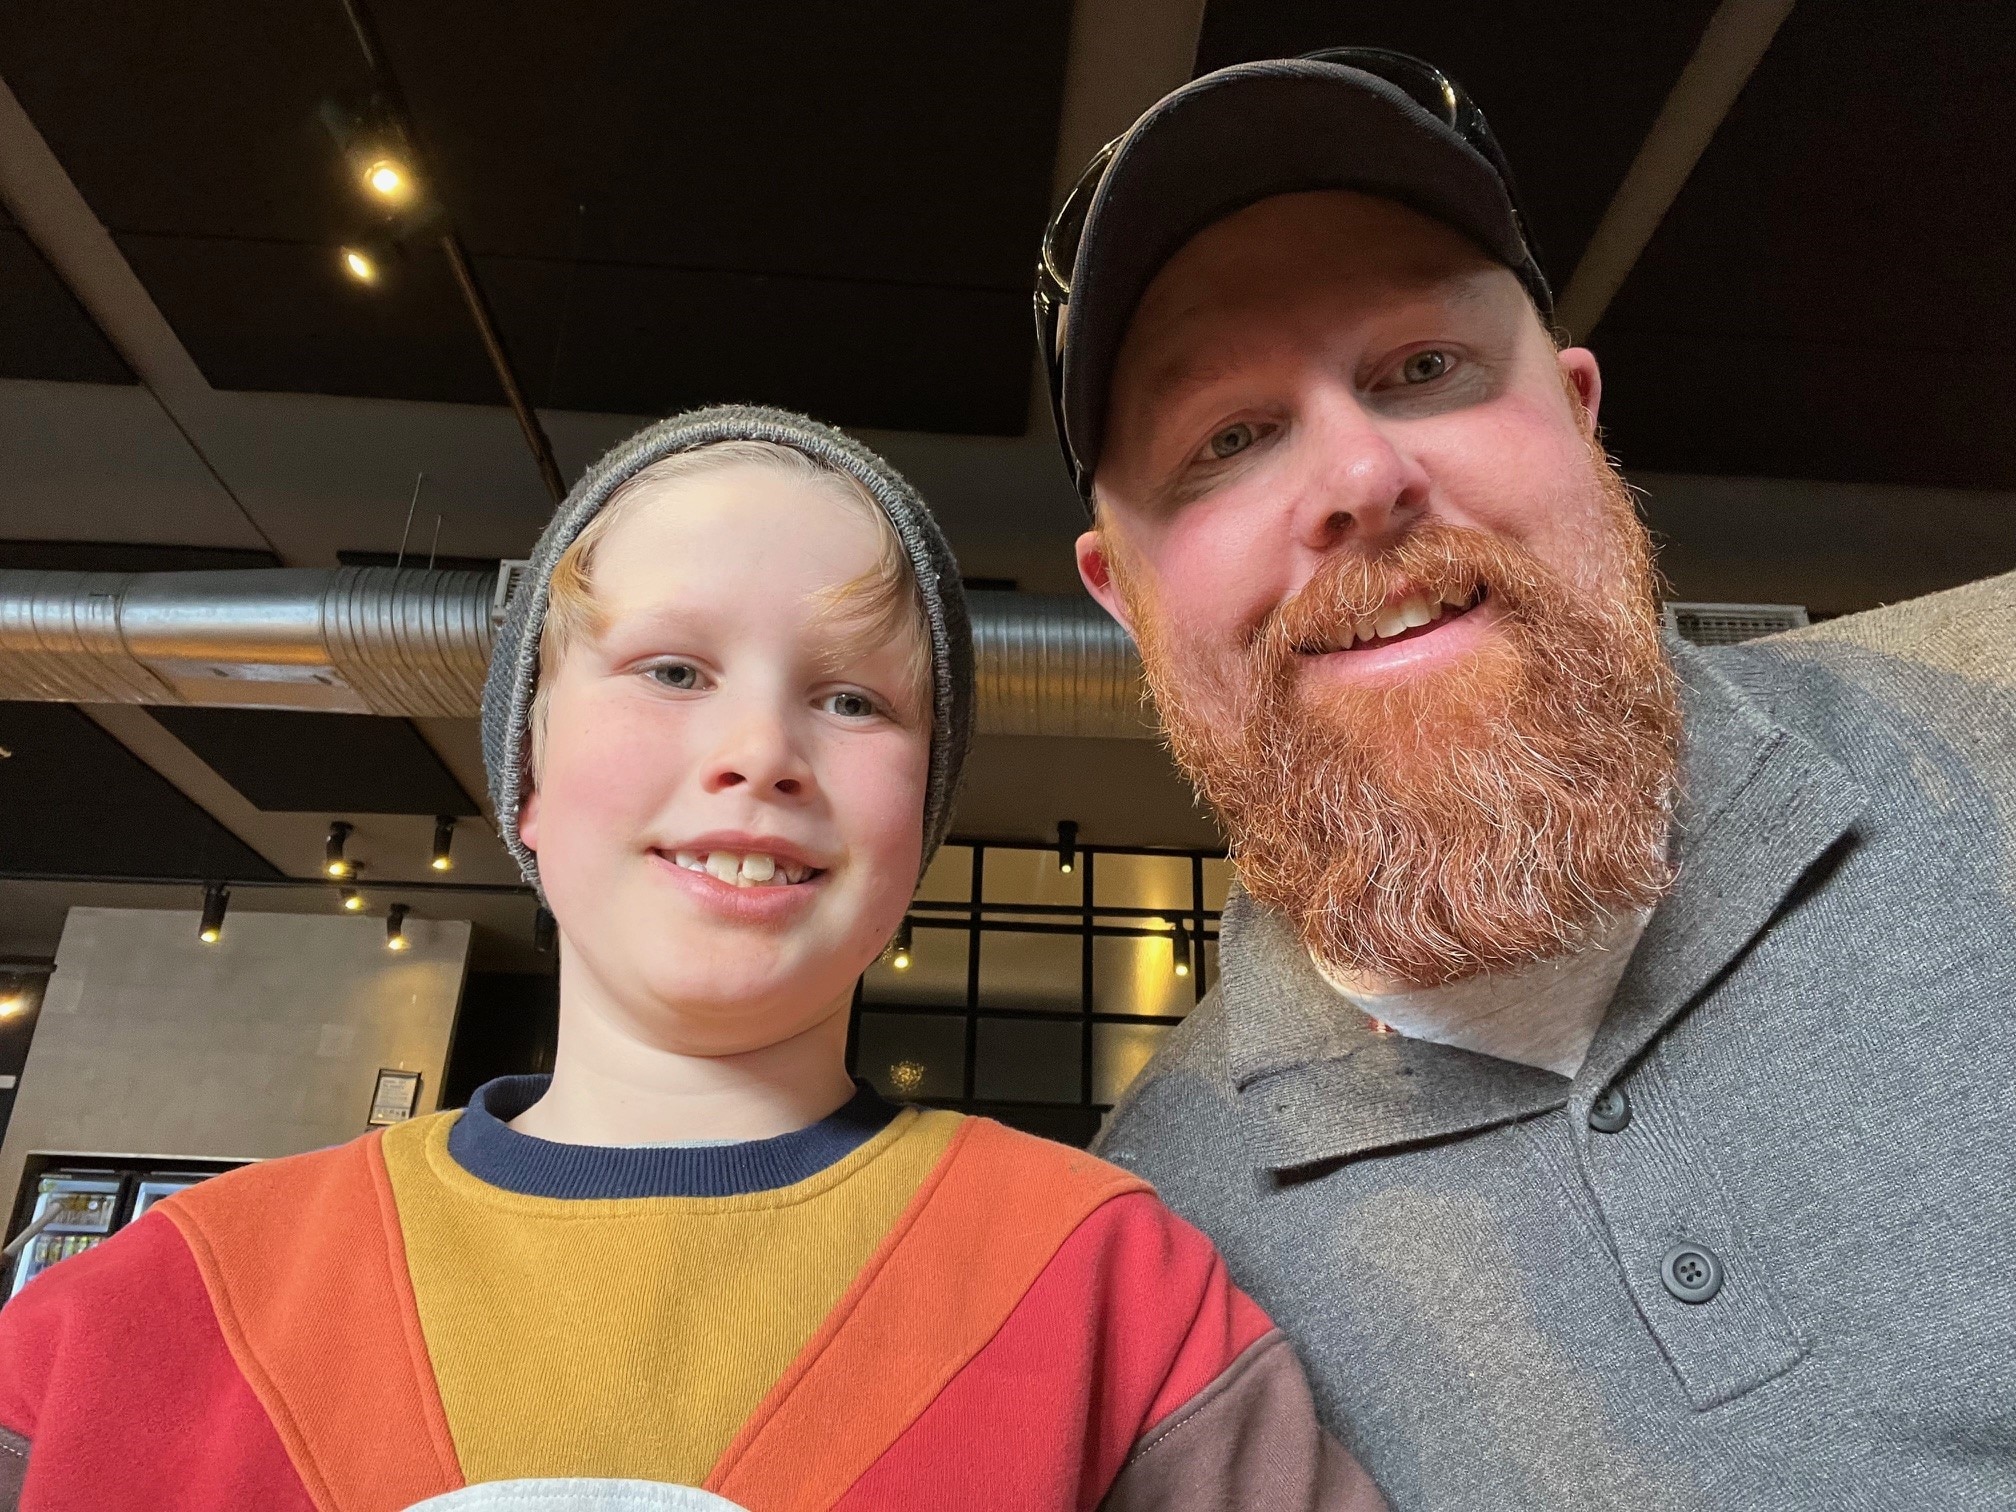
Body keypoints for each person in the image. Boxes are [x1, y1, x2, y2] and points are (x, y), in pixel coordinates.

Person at [0, 405, 1383, 1512]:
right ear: (525, 777)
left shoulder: (1112, 1292)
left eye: (851, 698)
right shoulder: (126, 1324)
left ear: (920, 826)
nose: (760, 754)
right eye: (671, 670)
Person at [1037, 48, 2016, 1512]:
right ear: (1125, 600)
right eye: (1228, 439)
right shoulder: (1157, 1267)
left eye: (1423, 368)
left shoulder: (1993, 766)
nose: (1358, 477)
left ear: (1578, 415)